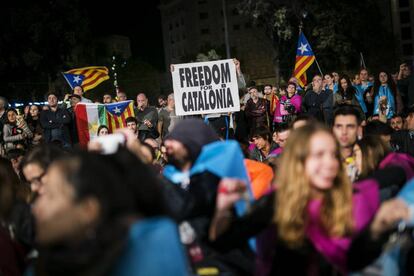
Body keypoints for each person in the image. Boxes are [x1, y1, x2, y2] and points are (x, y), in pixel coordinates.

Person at [209, 123, 410, 275]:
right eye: (319, 155)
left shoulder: (342, 199)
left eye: (333, 154)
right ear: (299, 160)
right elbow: (223, 243)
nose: (330, 163)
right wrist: (223, 208)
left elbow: (350, 261)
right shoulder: (279, 202)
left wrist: (377, 228)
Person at [29, 148, 188, 276]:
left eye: (50, 196)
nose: (36, 207)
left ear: (88, 210)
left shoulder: (150, 245)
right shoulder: (38, 267)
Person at [332, 106, 363, 182]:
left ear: (359, 129)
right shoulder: (324, 159)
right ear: (333, 129)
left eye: (350, 126)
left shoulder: (368, 157)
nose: (344, 132)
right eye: (339, 126)